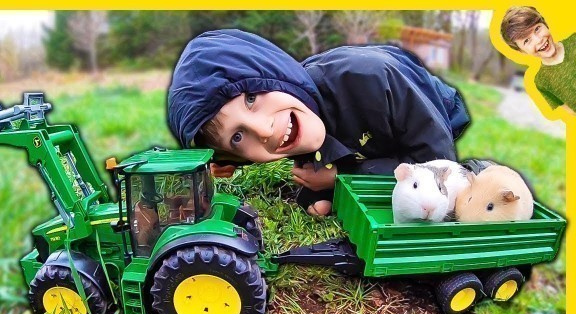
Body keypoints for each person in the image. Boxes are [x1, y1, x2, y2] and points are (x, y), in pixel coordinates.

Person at [168, 29, 470, 215]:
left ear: (272, 71)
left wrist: (343, 175)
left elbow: (437, 167)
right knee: (309, 178)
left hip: (430, 107)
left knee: (413, 180)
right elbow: (246, 149)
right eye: (237, 137)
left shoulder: (372, 77)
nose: (264, 130)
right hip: (332, 121)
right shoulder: (290, 117)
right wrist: (221, 161)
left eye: (250, 99)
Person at [501, 6, 576, 116]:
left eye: (537, 29)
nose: (538, 40)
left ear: (545, 24)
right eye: (527, 41)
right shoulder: (541, 81)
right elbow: (570, 110)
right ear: (521, 51)